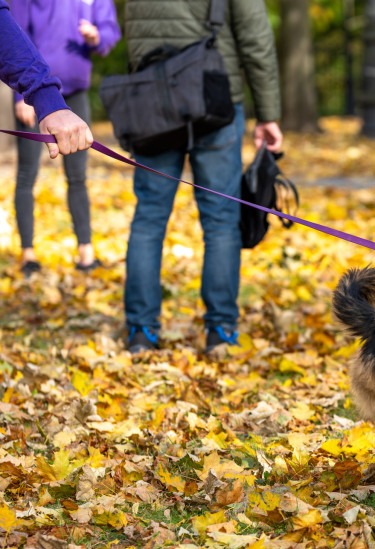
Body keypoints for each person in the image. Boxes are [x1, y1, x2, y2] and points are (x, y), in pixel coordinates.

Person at [121, 0, 283, 356]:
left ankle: (140, 331)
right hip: (214, 95)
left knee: (148, 217)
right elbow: (255, 37)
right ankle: (220, 331)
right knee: (222, 219)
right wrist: (268, 112)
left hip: (151, 96)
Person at [11, 0, 120, 278]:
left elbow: (110, 31)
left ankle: (86, 252)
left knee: (78, 176)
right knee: (27, 173)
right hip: (35, 93)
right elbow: (14, 31)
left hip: (75, 91)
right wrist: (20, 95)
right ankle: (28, 253)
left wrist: (98, 38)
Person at [0, 1, 93, 158]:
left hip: (68, 87)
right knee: (28, 167)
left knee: (78, 172)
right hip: (32, 92)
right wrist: (26, 96)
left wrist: (45, 98)